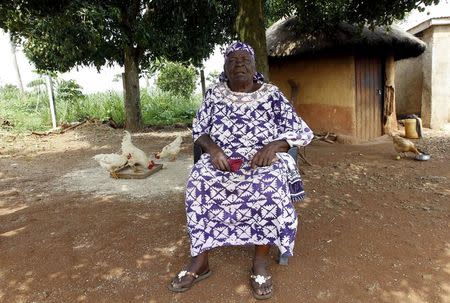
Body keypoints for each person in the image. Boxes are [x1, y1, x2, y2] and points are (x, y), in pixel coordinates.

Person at [169, 41, 313, 299]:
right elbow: (199, 130)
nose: (239, 65)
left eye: (245, 60)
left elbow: (302, 131)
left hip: (262, 162)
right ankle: (200, 261)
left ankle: (259, 262)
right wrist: (213, 151)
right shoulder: (214, 94)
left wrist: (275, 146)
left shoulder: (271, 94)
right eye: (233, 61)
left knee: (269, 189)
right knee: (198, 182)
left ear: (254, 65)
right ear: (225, 67)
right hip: (223, 160)